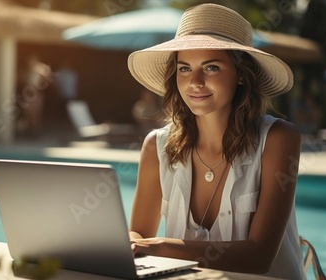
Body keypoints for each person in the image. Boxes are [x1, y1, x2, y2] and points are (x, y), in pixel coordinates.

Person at [127, 4, 305, 279]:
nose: (194, 82)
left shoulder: (279, 139)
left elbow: (258, 257)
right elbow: (138, 233)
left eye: (211, 67)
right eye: (184, 69)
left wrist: (159, 245)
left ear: (242, 75)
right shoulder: (156, 146)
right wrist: (130, 242)